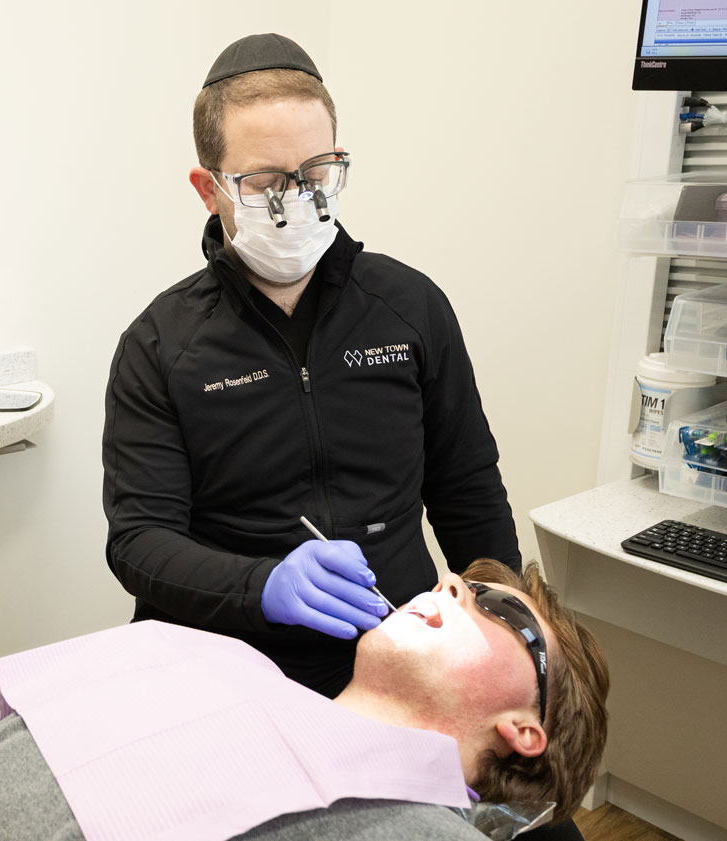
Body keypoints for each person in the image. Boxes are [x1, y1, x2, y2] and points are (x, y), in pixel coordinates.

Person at [0, 559, 609, 841]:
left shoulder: (412, 832)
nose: (447, 589)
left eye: (495, 612)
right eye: (459, 580)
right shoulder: (209, 659)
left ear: (523, 728)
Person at [102, 32, 520, 703]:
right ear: (209, 190)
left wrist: (509, 624)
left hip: (395, 653)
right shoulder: (159, 345)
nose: (295, 198)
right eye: (265, 181)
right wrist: (262, 587)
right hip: (230, 664)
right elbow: (140, 542)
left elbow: (467, 486)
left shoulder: (410, 309)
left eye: (317, 173)